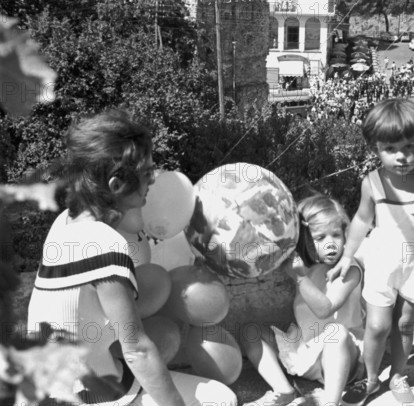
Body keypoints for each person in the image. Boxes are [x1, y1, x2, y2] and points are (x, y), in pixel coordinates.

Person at [26, 110, 237, 406]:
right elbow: (137, 350)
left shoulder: (64, 222)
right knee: (220, 399)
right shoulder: (105, 244)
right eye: (148, 173)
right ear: (115, 185)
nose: (153, 181)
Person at [329, 99, 414, 406]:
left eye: (409, 146)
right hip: (383, 262)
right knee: (377, 326)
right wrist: (348, 256)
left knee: (405, 324)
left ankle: (397, 375)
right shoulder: (373, 183)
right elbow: (362, 220)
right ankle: (369, 378)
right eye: (390, 149)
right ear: (375, 148)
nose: (401, 156)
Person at [240, 194, 365, 406]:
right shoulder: (310, 268)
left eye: (336, 235)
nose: (330, 244)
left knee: (337, 333)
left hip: (342, 358)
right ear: (306, 239)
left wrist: (299, 278)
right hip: (306, 349)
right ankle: (284, 390)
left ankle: (331, 402)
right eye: (320, 238)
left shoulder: (349, 270)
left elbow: (325, 310)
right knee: (250, 332)